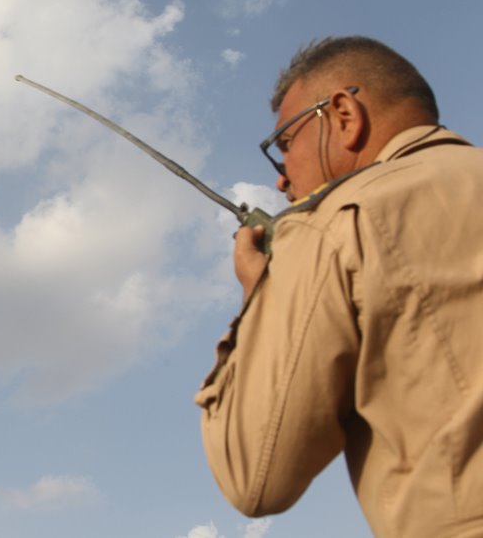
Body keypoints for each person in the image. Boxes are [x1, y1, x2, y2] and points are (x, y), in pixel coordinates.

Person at [195, 36, 483, 537]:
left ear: (344, 114)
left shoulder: (336, 223)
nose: (283, 181)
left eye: (286, 144)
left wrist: (261, 296)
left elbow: (257, 480)